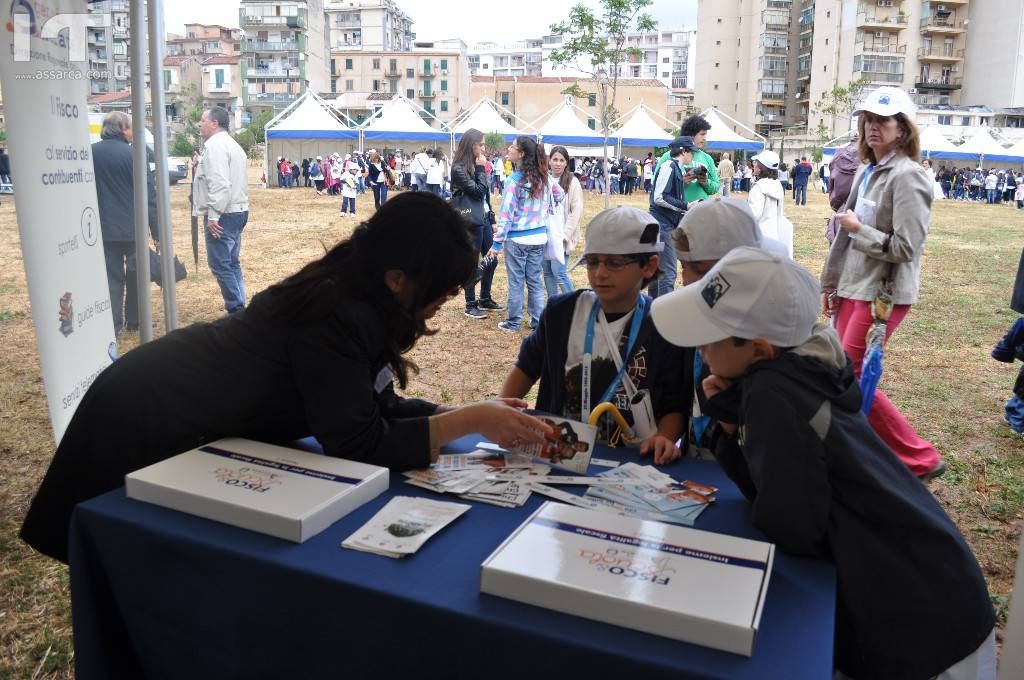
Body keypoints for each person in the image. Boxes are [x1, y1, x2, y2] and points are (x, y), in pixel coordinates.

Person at [19, 192, 556, 564]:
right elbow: (358, 442)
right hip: (148, 417)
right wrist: (464, 420)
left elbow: (368, 405)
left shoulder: (358, 293)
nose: (445, 303)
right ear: (398, 279)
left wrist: (462, 419)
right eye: (441, 290)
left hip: (174, 406)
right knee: (125, 561)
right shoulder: (336, 312)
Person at [650, 246, 996, 680]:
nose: (700, 350)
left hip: (921, 632)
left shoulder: (772, 397)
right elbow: (778, 493)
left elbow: (791, 526)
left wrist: (733, 422)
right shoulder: (798, 371)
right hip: (941, 599)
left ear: (758, 350)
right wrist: (729, 425)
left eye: (708, 338)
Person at [821, 86, 945, 480]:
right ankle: (859, 450)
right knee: (840, 371)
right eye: (868, 120)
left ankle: (919, 458)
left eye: (883, 121)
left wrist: (859, 229)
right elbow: (845, 237)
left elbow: (908, 247)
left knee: (851, 374)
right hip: (854, 286)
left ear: (902, 128)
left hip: (882, 293)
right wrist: (831, 284)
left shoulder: (909, 178)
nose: (873, 128)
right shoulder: (867, 169)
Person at [501, 206, 690, 464]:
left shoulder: (662, 325)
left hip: (634, 462)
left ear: (649, 266)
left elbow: (674, 405)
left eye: (614, 263)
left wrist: (665, 438)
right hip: (560, 455)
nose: (600, 273)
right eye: (592, 262)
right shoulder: (561, 313)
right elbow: (525, 368)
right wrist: (500, 409)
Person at [668, 198, 783, 456]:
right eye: (684, 267)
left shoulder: (770, 342)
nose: (687, 281)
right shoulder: (696, 317)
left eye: (701, 271)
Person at [92, 112, 159, 335]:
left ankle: (113, 324)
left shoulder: (90, 154)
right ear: (122, 129)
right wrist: (156, 231)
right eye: (131, 127)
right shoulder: (134, 155)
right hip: (134, 229)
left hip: (103, 228)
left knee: (112, 278)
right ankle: (135, 320)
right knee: (137, 275)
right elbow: (149, 196)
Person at [488, 135, 563, 333]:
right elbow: (560, 194)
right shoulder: (543, 177)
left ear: (521, 154)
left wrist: (496, 245)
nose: (508, 150)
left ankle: (513, 322)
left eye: (512, 147)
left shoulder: (514, 182)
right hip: (539, 237)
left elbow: (506, 216)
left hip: (517, 239)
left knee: (516, 281)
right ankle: (538, 321)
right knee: (535, 281)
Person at [194, 107, 249, 314]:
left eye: (202, 120)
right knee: (232, 262)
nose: (200, 124)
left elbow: (220, 184)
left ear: (214, 123)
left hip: (224, 213)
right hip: (238, 209)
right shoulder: (233, 145)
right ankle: (240, 306)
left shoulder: (215, 147)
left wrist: (213, 215)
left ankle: (236, 310)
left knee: (220, 264)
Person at [450, 129, 500, 319]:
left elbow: (485, 196)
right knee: (471, 262)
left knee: (492, 259)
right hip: (470, 219)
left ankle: (485, 298)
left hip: (484, 218)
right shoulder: (459, 168)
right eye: (481, 145)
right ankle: (470, 304)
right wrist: (481, 169)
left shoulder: (476, 164)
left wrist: (493, 218)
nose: (484, 148)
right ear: (472, 146)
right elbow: (478, 192)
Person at [647, 135, 696, 299]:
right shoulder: (669, 165)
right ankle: (662, 315)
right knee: (668, 272)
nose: (693, 156)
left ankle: (652, 312)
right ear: (683, 151)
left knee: (656, 270)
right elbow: (659, 197)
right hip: (662, 225)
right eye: (692, 152)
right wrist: (687, 206)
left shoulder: (674, 167)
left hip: (660, 223)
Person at [542, 146, 582, 299]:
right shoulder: (544, 179)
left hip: (561, 235)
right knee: (547, 273)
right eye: (555, 159)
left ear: (566, 163)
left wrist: (566, 234)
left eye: (561, 160)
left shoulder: (572, 182)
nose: (558, 163)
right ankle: (554, 306)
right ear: (549, 161)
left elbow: (576, 210)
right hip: (545, 234)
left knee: (559, 272)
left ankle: (576, 306)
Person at [655, 114, 719, 203]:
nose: (705, 138)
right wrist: (680, 183)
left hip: (701, 211)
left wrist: (706, 183)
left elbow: (715, 187)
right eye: (702, 134)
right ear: (691, 135)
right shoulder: (669, 156)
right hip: (676, 211)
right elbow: (656, 184)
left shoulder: (707, 158)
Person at [747, 150, 791, 257]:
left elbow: (754, 215)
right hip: (775, 235)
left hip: (759, 238)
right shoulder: (777, 185)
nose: (754, 165)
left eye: (756, 162)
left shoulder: (758, 188)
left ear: (761, 167)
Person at [826, 135, 860, 243]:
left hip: (843, 215)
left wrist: (840, 208)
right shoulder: (877, 155)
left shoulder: (840, 154)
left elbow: (834, 193)